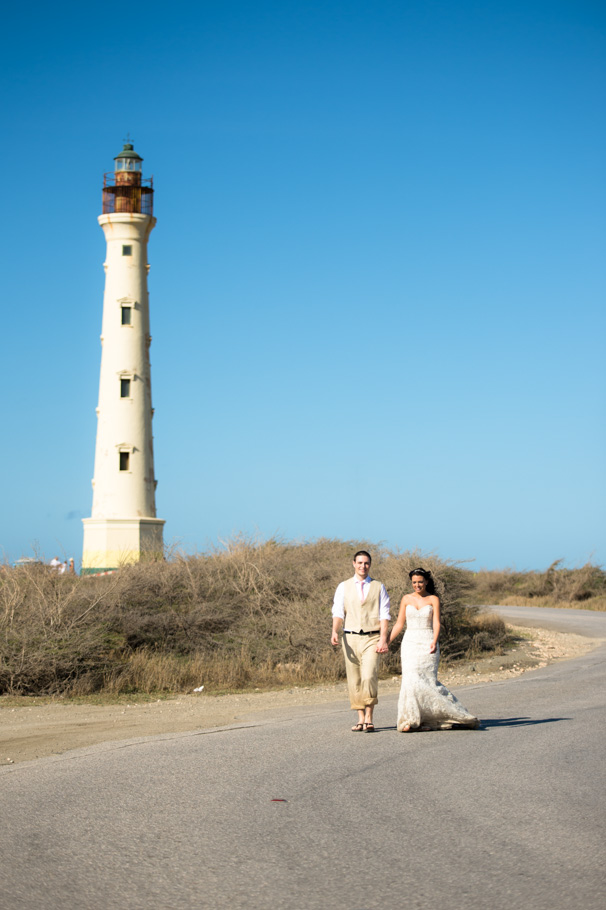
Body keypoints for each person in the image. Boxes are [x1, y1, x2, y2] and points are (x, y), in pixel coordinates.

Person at [389, 567, 479, 732]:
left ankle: (447, 714)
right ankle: (410, 719)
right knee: (410, 680)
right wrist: (386, 642)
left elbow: (436, 622)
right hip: (410, 643)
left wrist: (434, 640)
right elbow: (399, 624)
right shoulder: (406, 599)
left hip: (427, 641)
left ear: (426, 582)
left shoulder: (433, 599)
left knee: (427, 681)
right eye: (414, 582)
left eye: (420, 582)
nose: (417, 585)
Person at [331, 550, 390, 732]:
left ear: (370, 565)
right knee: (354, 678)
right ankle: (360, 717)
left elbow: (384, 615)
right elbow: (339, 612)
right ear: (353, 563)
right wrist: (334, 631)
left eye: (366, 563)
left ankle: (370, 716)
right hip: (350, 637)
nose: (363, 566)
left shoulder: (379, 586)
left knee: (369, 675)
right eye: (359, 563)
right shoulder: (344, 586)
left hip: (372, 637)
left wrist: (383, 639)